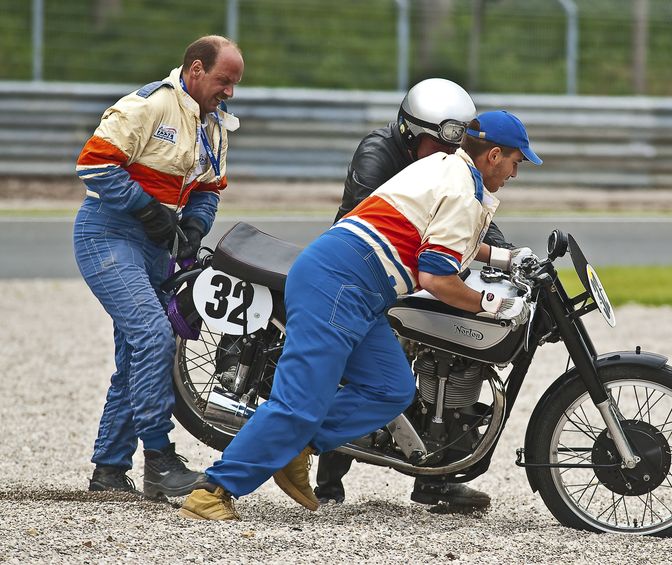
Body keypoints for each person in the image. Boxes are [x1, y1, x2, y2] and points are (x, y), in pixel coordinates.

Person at [179, 109, 542, 520]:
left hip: (354, 288)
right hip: (338, 285)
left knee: (391, 388)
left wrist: (503, 256)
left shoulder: (445, 167)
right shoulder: (461, 191)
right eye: (517, 161)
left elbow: (438, 232)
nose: (515, 172)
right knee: (296, 405)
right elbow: (437, 277)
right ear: (494, 155)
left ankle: (299, 445)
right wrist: (490, 304)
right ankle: (212, 491)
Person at [319, 78, 519, 509]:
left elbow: (469, 219)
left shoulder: (449, 166)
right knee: (356, 365)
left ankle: (435, 478)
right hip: (366, 270)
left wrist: (508, 256)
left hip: (410, 268)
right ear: (410, 134)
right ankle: (328, 479)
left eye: (456, 146)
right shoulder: (378, 152)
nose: (449, 156)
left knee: (451, 351)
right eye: (437, 144)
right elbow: (373, 215)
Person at [73, 35, 244, 499]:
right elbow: (92, 165)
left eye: (235, 84)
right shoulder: (148, 105)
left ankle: (108, 472)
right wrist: (148, 209)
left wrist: (195, 226)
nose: (229, 92)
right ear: (195, 70)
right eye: (224, 81)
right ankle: (159, 460)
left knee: (137, 353)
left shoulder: (216, 125)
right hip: (107, 235)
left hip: (157, 247)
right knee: (154, 335)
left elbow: (210, 188)